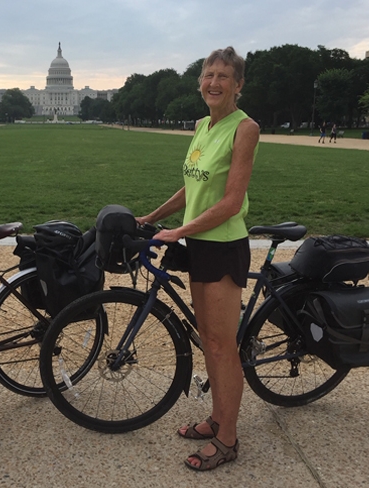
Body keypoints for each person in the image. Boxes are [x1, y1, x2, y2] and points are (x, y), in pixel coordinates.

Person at [135, 46, 259, 471]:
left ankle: (228, 438)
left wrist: (181, 231)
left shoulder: (246, 129)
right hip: (200, 244)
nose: (214, 82)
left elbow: (231, 201)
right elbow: (193, 186)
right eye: (209, 74)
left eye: (224, 76)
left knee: (225, 347)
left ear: (238, 85)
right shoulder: (202, 125)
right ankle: (217, 417)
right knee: (209, 340)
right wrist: (153, 216)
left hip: (222, 244)